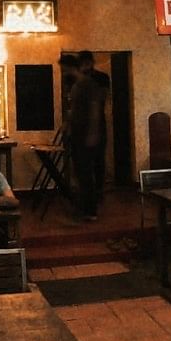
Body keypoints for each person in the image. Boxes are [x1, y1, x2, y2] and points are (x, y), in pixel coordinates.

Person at [62, 51, 108, 221]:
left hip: (86, 134)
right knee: (80, 171)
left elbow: (95, 109)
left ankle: (90, 210)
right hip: (78, 133)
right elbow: (74, 110)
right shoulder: (76, 86)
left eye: (64, 69)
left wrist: (93, 133)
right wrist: (68, 124)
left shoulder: (87, 84)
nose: (63, 73)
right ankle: (83, 206)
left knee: (86, 171)